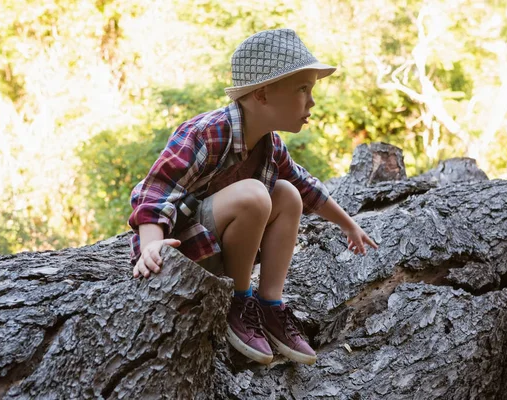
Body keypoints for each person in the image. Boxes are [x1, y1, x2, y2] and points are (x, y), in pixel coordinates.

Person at [128, 28, 378, 366]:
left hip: (225, 249)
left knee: (287, 193)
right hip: (184, 249)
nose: (312, 102)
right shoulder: (207, 132)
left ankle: (269, 304)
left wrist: (349, 225)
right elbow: (156, 191)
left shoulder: (270, 145)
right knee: (255, 195)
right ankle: (238, 299)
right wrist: (150, 246)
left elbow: (306, 187)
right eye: (302, 89)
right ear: (261, 94)